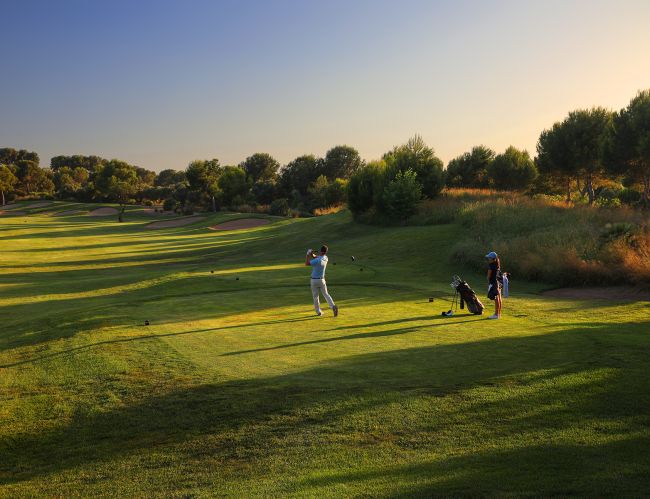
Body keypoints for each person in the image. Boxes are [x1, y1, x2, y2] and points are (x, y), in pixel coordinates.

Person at [305, 245, 338, 317]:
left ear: (320, 251)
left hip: (314, 281)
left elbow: (306, 263)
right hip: (322, 280)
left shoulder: (317, 260)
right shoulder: (326, 258)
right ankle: (333, 306)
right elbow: (316, 257)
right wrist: (311, 254)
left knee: (315, 296)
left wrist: (308, 254)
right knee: (326, 294)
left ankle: (318, 312)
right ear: (326, 252)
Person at [486, 251, 502, 319]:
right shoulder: (497, 265)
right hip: (498, 283)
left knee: (496, 299)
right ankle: (498, 314)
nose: (488, 259)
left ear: (493, 259)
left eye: (489, 258)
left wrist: (488, 282)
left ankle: (496, 314)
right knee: (499, 298)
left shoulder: (491, 266)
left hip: (494, 283)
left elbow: (488, 276)